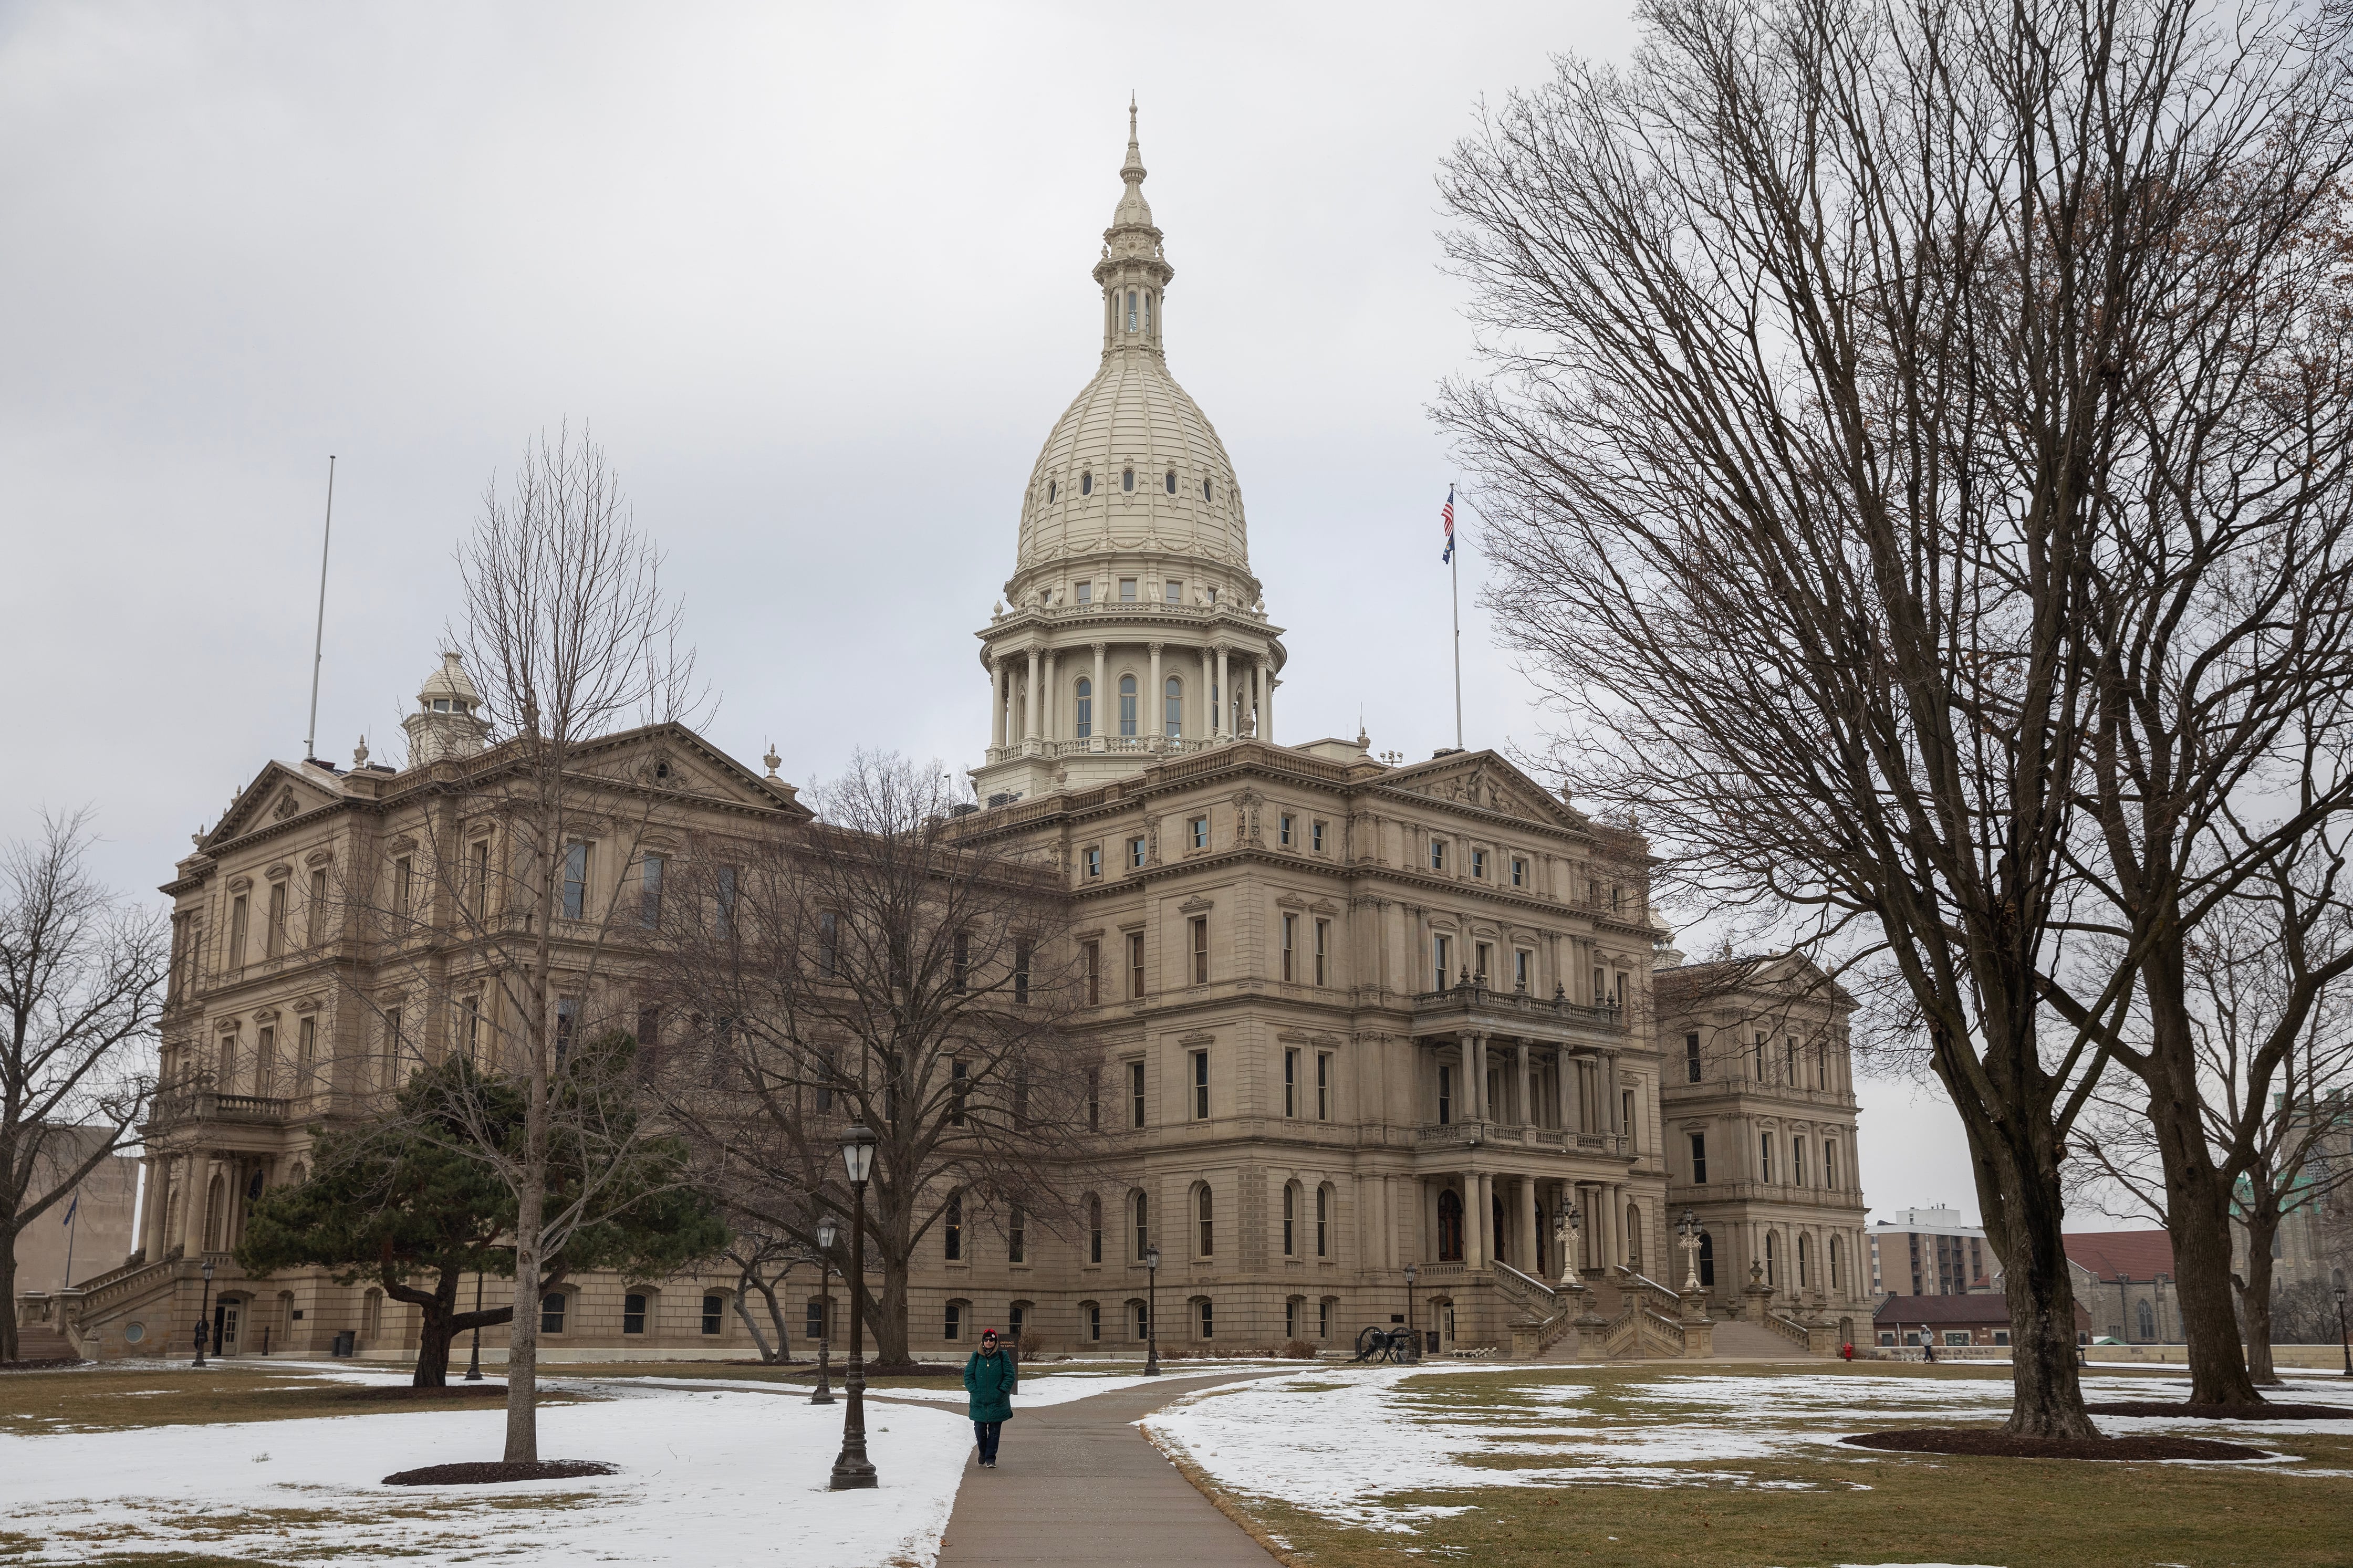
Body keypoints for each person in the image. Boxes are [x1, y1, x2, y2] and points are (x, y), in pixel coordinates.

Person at [963, 1327, 1018, 1469]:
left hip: (998, 1401)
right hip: (979, 1401)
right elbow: (968, 1376)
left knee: (994, 1432)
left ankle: (990, 1459)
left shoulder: (1002, 1356)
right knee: (980, 1430)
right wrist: (974, 1390)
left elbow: (1009, 1375)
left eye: (991, 1340)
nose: (989, 1342)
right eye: (986, 1339)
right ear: (983, 1341)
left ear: (995, 1342)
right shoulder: (976, 1356)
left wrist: (1001, 1391)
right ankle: (983, 1451)